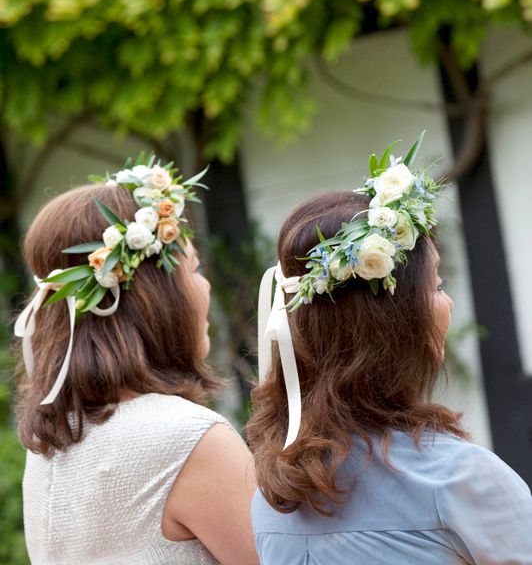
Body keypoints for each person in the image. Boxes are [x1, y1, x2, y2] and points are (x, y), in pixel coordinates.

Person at [247, 135, 532, 564]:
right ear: (394, 325)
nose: (447, 303)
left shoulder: (275, 497)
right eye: (436, 286)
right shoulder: (458, 480)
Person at [14, 156, 258, 565]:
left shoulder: (51, 442)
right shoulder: (188, 436)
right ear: (154, 297)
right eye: (194, 268)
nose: (205, 286)